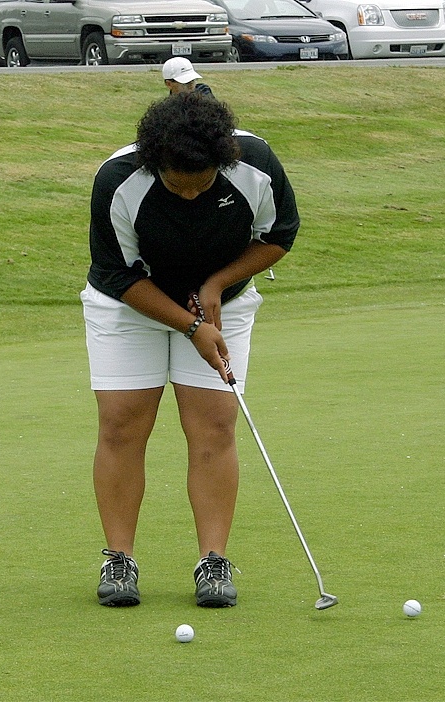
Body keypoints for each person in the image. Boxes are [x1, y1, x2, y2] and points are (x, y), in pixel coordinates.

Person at [81, 92, 299, 609]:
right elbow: (117, 273)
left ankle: (214, 562)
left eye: (203, 184)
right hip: (128, 307)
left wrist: (215, 288)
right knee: (121, 423)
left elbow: (279, 234)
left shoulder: (258, 164)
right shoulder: (118, 179)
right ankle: (119, 559)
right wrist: (190, 325)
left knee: (215, 424)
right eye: (178, 183)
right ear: (155, 161)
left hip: (224, 306)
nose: (190, 195)